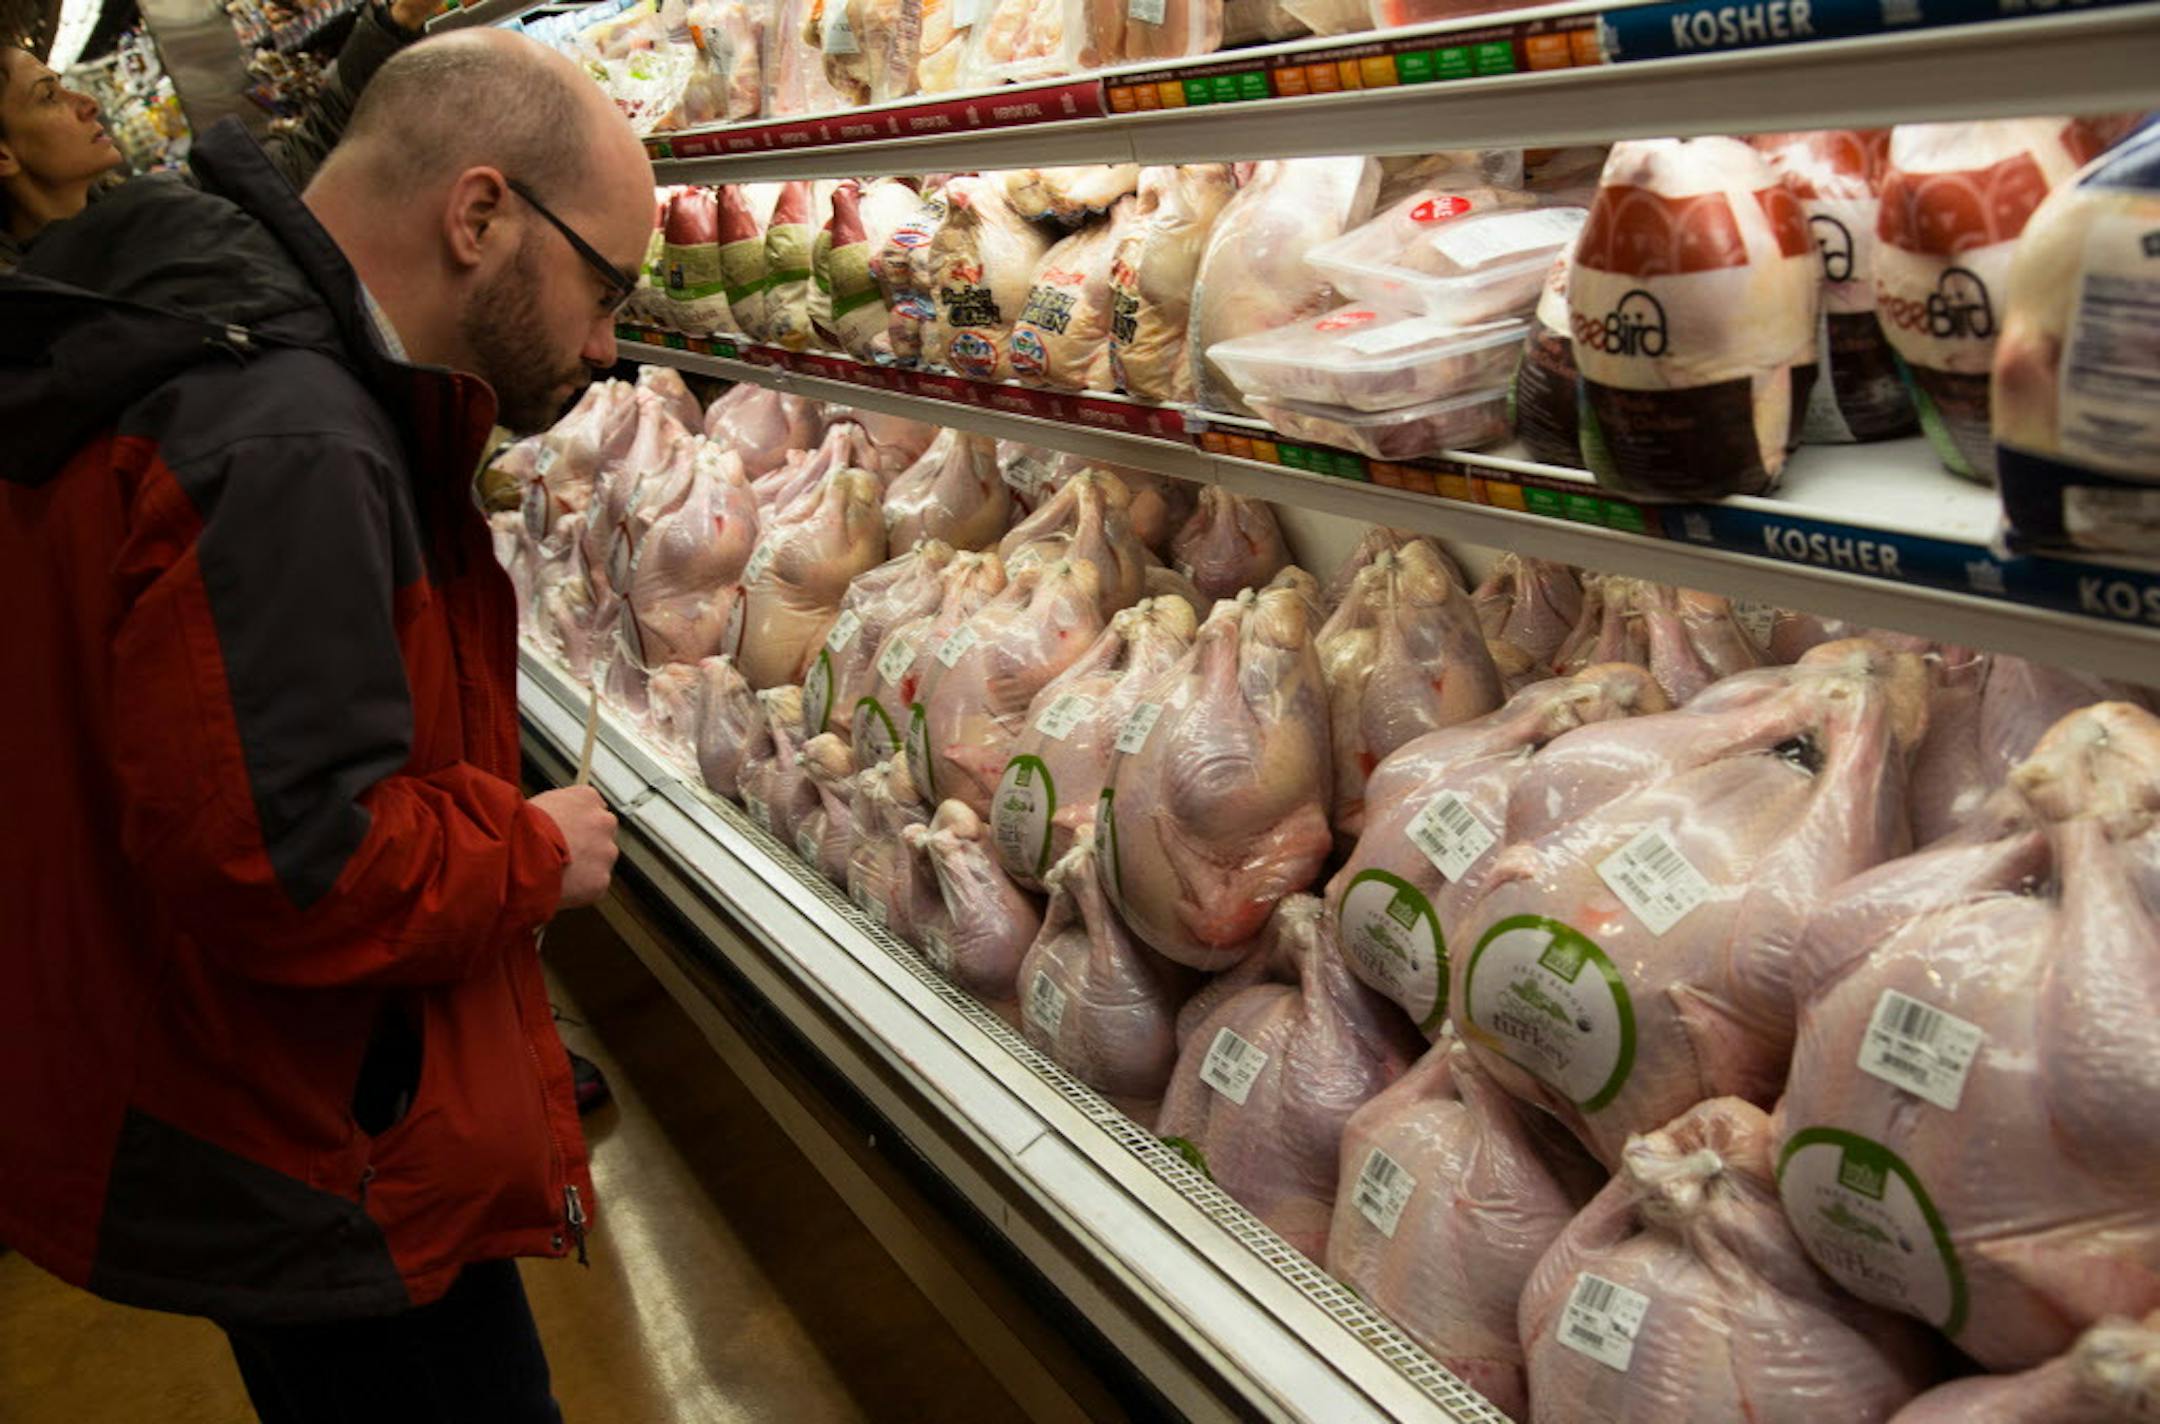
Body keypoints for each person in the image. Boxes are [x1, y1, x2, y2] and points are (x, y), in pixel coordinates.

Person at [0, 28, 653, 1421]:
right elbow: (286, 858)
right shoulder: (283, 434)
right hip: (310, 1152)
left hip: (221, 1089)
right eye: (606, 285)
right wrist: (534, 853)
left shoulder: (218, 341)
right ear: (478, 214)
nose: (608, 346)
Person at [0, 0, 445, 271]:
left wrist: (398, 18)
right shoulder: (47, 329)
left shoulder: (165, 204)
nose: (87, 103)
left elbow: (303, 157)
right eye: (48, 96)